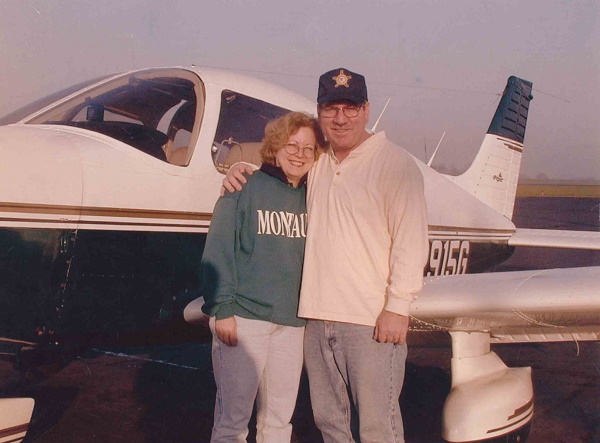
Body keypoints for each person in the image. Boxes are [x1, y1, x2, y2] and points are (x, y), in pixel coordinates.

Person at [223, 68, 429, 442]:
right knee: (331, 425)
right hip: (316, 321)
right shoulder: (319, 163)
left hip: (369, 322)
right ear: (320, 112)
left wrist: (398, 306)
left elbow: (411, 240)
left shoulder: (395, 164)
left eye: (350, 108)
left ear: (366, 110)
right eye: (331, 108)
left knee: (377, 426)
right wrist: (245, 169)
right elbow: (286, 167)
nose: (341, 118)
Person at [201, 112, 325, 443]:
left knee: (279, 422)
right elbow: (218, 251)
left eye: (308, 149)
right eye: (292, 145)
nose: (299, 154)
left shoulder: (313, 197)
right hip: (243, 320)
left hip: (292, 324)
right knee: (233, 422)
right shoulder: (244, 186)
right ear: (275, 146)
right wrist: (222, 309)